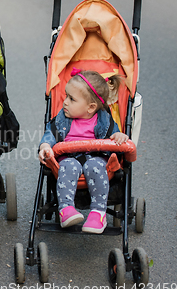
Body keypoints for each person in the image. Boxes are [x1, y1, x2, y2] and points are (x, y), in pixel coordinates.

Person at [38, 68, 129, 234]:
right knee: (67, 166)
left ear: (90, 107)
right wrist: (45, 146)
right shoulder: (62, 119)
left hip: (96, 158)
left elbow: (114, 137)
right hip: (68, 158)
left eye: (72, 99)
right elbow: (51, 134)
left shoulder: (104, 121)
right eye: (66, 96)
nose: (65, 102)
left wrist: (118, 136)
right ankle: (66, 210)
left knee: (94, 166)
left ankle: (97, 214)